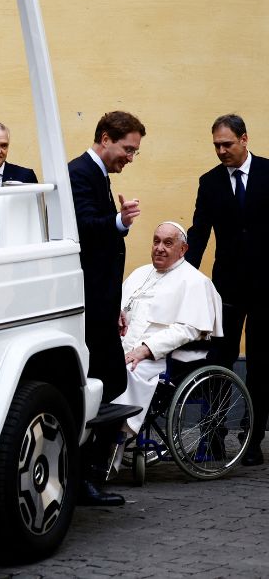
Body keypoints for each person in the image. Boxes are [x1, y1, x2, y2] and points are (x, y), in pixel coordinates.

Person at [68, 110, 145, 505]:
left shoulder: (95, 174)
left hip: (100, 304)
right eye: (127, 149)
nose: (129, 158)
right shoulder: (79, 173)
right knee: (104, 384)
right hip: (89, 307)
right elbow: (83, 227)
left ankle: (86, 474)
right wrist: (118, 221)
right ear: (105, 138)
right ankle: (83, 477)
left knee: (107, 384)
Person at [185, 113, 269, 466]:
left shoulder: (268, 173)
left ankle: (252, 437)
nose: (221, 151)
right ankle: (213, 434)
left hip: (267, 285)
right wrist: (184, 280)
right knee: (220, 357)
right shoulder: (211, 182)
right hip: (227, 287)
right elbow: (200, 233)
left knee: (263, 363)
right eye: (216, 145)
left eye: (227, 144)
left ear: (245, 139)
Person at [111, 222, 222, 455]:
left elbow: (189, 329)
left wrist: (146, 349)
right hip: (124, 348)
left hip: (163, 359)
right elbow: (119, 308)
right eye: (156, 241)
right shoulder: (140, 274)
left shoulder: (194, 281)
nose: (159, 248)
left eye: (168, 243)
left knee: (128, 372)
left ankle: (112, 445)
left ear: (182, 250)